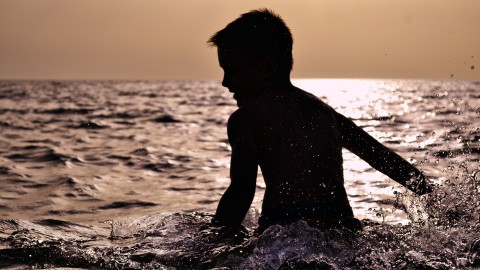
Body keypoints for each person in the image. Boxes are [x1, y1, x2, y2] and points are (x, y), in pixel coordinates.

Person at [207, 8, 432, 233]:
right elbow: (380, 156)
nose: (225, 82)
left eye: (232, 71)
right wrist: (431, 195)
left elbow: (241, 191)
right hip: (345, 233)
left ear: (267, 67)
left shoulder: (246, 118)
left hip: (285, 235)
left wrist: (213, 240)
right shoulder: (324, 112)